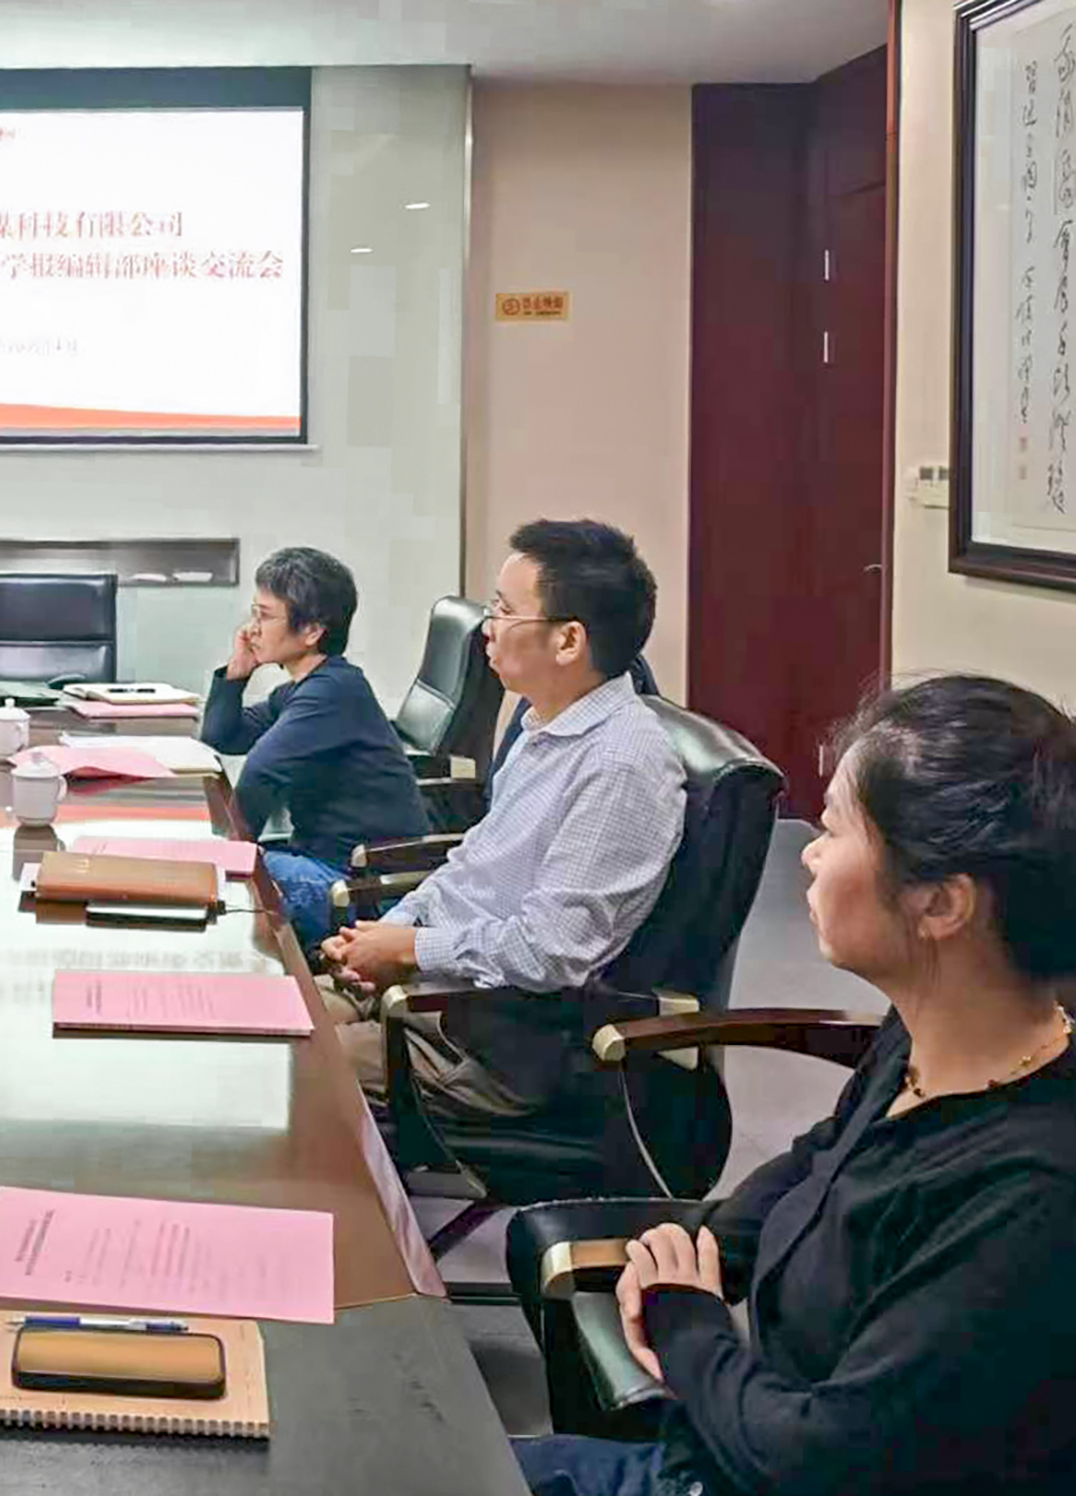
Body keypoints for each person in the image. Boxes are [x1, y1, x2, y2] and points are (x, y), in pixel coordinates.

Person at [516, 674, 1076, 1496]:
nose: (809, 851)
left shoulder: (1030, 1198)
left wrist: (685, 1320)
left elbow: (817, 1458)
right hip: (732, 1436)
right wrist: (702, 1251)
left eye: (836, 828)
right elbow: (825, 1155)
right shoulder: (936, 1036)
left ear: (940, 904)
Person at [319, 519, 685, 1117]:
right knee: (255, 1020)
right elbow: (473, 864)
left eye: (505, 610)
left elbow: (551, 952)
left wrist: (412, 948)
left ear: (568, 641)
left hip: (482, 1041)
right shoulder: (544, 725)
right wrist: (389, 932)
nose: (488, 626)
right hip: (425, 994)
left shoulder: (620, 765)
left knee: (278, 1069)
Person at [198, 546, 428, 944]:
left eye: (264, 616)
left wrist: (230, 855)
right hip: (322, 865)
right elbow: (225, 736)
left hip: (359, 889)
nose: (252, 629)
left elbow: (261, 770)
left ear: (311, 631)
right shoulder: (304, 690)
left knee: (208, 879)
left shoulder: (334, 692)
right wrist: (237, 673)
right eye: (254, 613)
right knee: (205, 871)